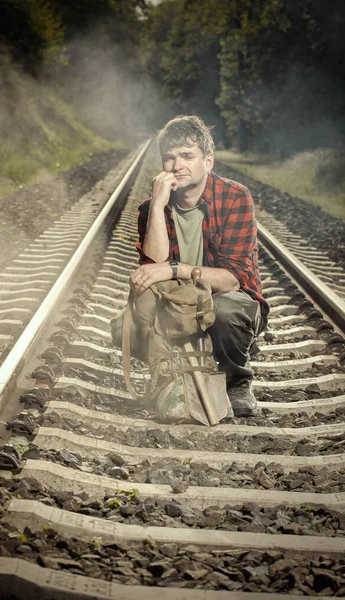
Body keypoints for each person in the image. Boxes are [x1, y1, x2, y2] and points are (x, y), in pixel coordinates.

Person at [129, 115, 269, 417]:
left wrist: (174, 268)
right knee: (127, 321)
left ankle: (237, 380)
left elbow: (233, 280)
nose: (177, 165)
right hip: (177, 303)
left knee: (226, 312)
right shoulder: (150, 208)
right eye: (169, 157)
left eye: (187, 156)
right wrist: (156, 205)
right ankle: (166, 375)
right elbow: (153, 270)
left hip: (225, 302)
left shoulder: (235, 197)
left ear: (208, 161)